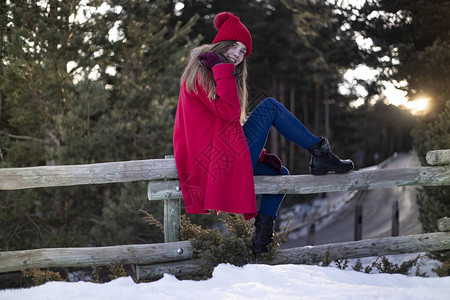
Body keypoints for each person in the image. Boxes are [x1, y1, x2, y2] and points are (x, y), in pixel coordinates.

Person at [173, 12, 353, 254]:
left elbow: (223, 122)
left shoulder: (214, 68)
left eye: (243, 52)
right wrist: (223, 69)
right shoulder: (204, 70)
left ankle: (261, 240)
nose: (237, 55)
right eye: (234, 47)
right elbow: (229, 112)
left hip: (217, 158)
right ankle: (320, 151)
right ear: (222, 43)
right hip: (214, 161)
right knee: (269, 107)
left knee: (279, 174)